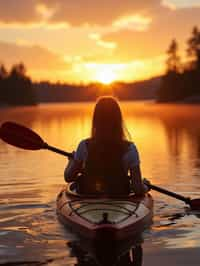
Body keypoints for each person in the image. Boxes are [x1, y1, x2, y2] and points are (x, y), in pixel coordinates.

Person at [64, 96, 146, 196]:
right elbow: (137, 189)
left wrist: (71, 161)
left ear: (96, 120)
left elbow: (68, 177)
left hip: (89, 198)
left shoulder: (84, 146)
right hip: (119, 200)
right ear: (118, 120)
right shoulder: (130, 149)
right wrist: (146, 186)